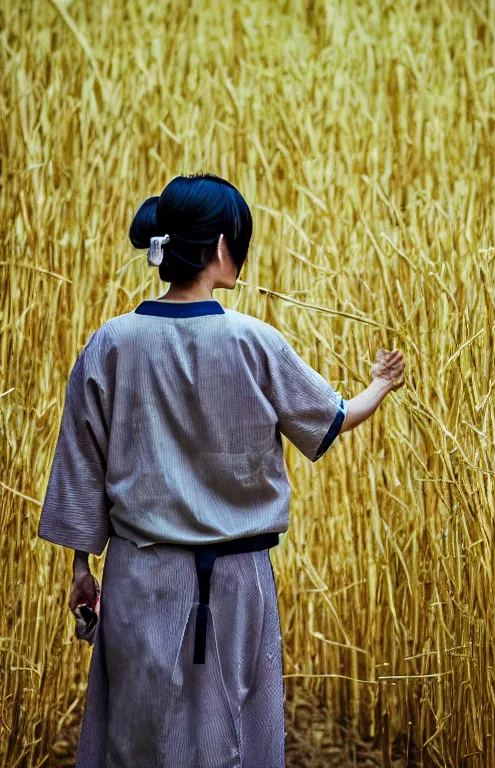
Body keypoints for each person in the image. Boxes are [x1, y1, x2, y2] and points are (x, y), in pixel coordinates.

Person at [38, 173, 405, 768]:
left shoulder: (108, 344)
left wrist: (82, 568)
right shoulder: (256, 342)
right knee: (232, 739)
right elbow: (333, 419)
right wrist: (382, 384)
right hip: (237, 585)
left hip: (138, 580)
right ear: (219, 247)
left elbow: (80, 466)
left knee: (137, 742)